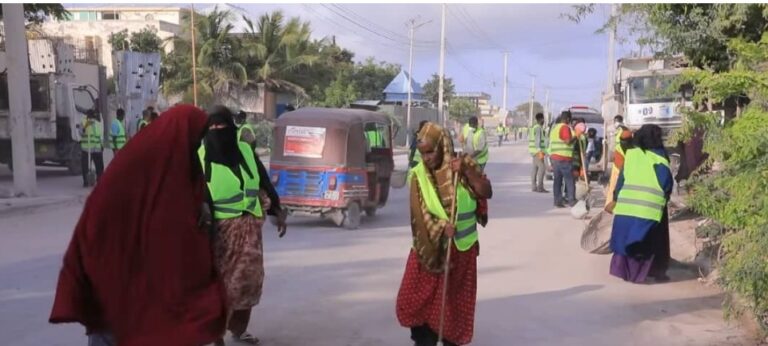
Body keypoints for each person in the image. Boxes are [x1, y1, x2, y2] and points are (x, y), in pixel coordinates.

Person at [50, 105, 227, 345]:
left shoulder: (177, 171)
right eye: (196, 138)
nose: (198, 145)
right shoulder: (144, 172)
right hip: (121, 293)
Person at [396, 122, 492, 346]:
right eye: (423, 153)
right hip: (429, 250)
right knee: (417, 301)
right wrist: (440, 227)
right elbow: (418, 215)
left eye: (431, 152)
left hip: (462, 250)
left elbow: (486, 192)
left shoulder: (464, 164)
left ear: (444, 146)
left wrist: (468, 171)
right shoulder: (418, 175)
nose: (427, 158)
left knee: (454, 303)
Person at [200, 106, 288, 346]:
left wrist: (277, 210)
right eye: (213, 127)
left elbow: (263, 180)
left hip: (250, 229)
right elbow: (190, 194)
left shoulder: (245, 151)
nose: (218, 131)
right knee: (224, 285)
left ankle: (238, 329)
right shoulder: (199, 156)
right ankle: (216, 333)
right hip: (219, 234)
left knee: (249, 282)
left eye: (222, 126)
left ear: (232, 127)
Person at [607, 124, 673, 283]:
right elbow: (666, 183)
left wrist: (615, 198)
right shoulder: (659, 157)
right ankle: (655, 272)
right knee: (654, 241)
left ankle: (625, 272)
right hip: (649, 209)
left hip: (625, 208)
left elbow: (621, 180)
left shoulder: (631, 155)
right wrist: (665, 198)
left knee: (624, 239)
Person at [548, 111, 581, 208]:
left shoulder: (555, 128)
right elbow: (567, 142)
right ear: (567, 119)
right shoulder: (565, 127)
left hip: (555, 158)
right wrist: (576, 136)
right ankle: (571, 200)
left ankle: (557, 201)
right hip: (564, 159)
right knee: (569, 180)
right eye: (569, 119)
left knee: (557, 181)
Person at [80, 109, 104, 187]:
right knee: (86, 166)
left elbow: (101, 136)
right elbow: (81, 132)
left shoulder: (98, 123)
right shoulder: (84, 122)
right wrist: (86, 125)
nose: (91, 118)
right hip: (87, 149)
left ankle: (99, 180)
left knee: (99, 166)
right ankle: (86, 181)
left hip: (96, 148)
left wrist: (102, 145)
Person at [529, 113, 548, 193]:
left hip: (534, 151)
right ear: (541, 119)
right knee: (542, 168)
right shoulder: (538, 128)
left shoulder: (535, 127)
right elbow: (537, 141)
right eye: (543, 119)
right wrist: (540, 151)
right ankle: (540, 187)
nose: (544, 121)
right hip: (537, 152)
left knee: (535, 168)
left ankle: (534, 186)